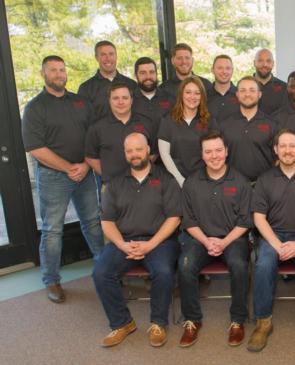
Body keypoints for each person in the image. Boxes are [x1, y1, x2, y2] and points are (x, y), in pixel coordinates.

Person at [21, 55, 104, 303]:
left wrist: (85, 166)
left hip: (84, 172)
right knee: (52, 229)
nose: (59, 74)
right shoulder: (35, 107)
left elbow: (94, 136)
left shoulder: (80, 102)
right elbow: (36, 148)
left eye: (61, 70)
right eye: (53, 70)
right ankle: (52, 280)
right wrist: (70, 168)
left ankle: (105, 268)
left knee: (92, 222)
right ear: (43, 74)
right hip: (53, 176)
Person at [93, 132, 181, 348]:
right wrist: (122, 245)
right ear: (125, 154)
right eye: (129, 150)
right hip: (125, 241)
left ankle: (158, 323)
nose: (134, 154)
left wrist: (150, 245)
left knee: (163, 272)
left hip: (160, 241)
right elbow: (107, 222)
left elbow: (174, 218)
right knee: (101, 273)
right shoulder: (114, 184)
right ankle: (122, 323)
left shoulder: (166, 179)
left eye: (138, 149)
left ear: (148, 150)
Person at [248, 129, 295, 353]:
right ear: (276, 150)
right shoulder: (265, 179)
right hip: (273, 235)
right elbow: (259, 218)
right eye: (283, 146)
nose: (287, 150)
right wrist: (275, 243)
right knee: (262, 264)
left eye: (292, 146)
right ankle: (263, 322)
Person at [178, 131, 252, 347]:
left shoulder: (241, 182)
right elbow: (188, 220)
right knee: (185, 265)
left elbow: (245, 221)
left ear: (226, 152)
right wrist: (207, 241)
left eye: (218, 150)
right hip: (199, 238)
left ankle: (238, 320)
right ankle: (192, 320)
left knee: (239, 265)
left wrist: (224, 242)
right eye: (208, 152)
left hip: (233, 238)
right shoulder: (191, 183)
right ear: (202, 155)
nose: (214, 156)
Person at [85, 83, 157, 185]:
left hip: (144, 184)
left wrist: (141, 169)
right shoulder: (97, 128)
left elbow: (153, 152)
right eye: (115, 98)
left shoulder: (146, 123)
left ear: (131, 100)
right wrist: (107, 175)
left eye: (125, 98)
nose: (120, 102)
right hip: (111, 187)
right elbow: (90, 157)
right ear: (109, 100)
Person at [158, 76, 217, 187]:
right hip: (175, 181)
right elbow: (164, 154)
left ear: (202, 96)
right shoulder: (168, 120)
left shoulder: (210, 121)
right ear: (181, 95)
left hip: (204, 181)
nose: (192, 97)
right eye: (188, 92)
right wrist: (180, 180)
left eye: (197, 93)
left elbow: (214, 153)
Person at [219, 76, 278, 183]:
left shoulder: (272, 125)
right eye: (243, 90)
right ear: (237, 95)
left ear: (259, 94)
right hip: (232, 186)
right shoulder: (224, 125)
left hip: (264, 186)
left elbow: (278, 158)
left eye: (252, 90)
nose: (247, 94)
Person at [78, 40, 137, 122]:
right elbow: (83, 119)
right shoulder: (86, 88)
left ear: (116, 56)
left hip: (130, 133)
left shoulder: (131, 84)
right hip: (99, 134)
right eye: (103, 55)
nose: (108, 58)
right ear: (96, 58)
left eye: (111, 54)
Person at [131, 57, 175, 135]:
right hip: (140, 146)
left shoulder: (170, 98)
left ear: (156, 74)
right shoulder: (129, 101)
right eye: (143, 73)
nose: (148, 77)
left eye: (151, 72)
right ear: (135, 75)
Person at [253, 49, 288, 115]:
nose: (265, 64)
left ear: (273, 64)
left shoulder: (284, 88)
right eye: (260, 60)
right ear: (254, 63)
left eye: (268, 61)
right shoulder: (244, 88)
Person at [207, 55, 240, 121]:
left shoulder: (241, 95)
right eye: (220, 68)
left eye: (228, 68)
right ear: (212, 70)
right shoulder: (204, 96)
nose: (224, 71)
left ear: (232, 70)